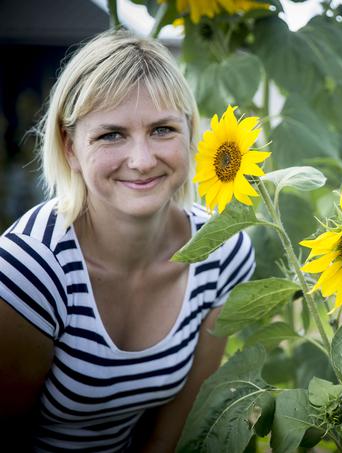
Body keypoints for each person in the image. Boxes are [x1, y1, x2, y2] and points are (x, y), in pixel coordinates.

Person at [0, 30, 255, 451]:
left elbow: (181, 422)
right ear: (70, 149)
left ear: (191, 135)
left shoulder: (221, 251)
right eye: (111, 135)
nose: (141, 160)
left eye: (162, 130)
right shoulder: (31, 269)